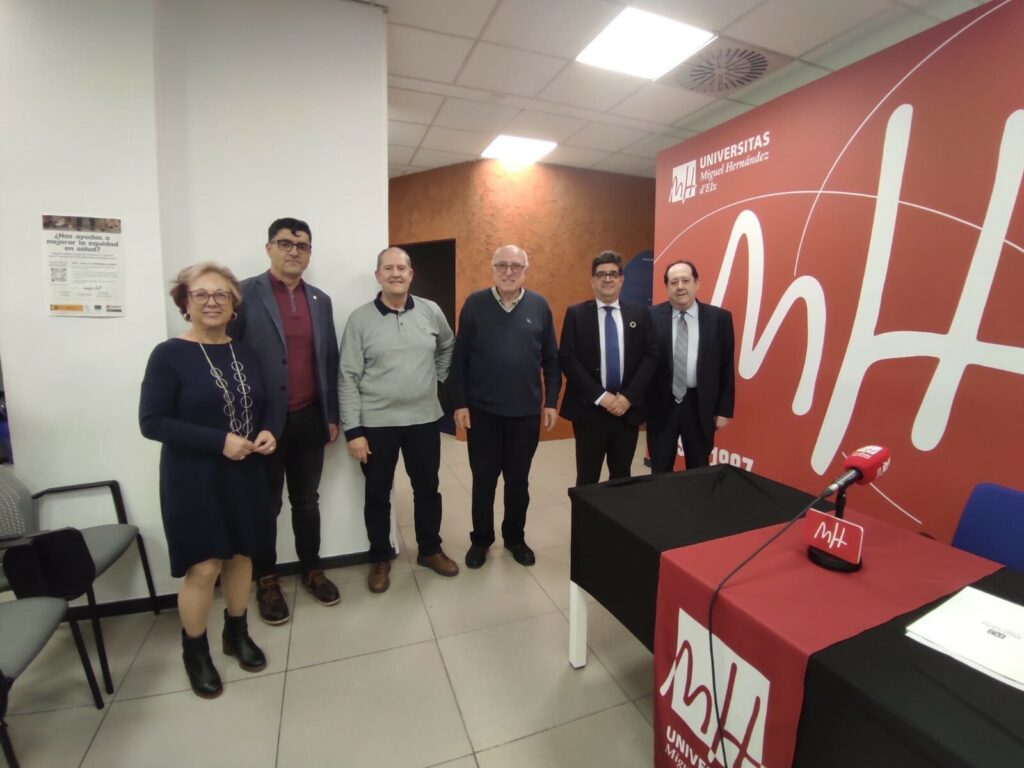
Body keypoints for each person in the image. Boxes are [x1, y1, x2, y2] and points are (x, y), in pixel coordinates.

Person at [140, 262, 273, 699]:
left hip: (246, 472)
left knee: (241, 555)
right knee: (204, 565)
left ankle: (236, 634)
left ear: (235, 304)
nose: (213, 302)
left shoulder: (246, 352)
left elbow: (267, 403)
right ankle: (194, 651)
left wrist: (269, 430)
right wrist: (220, 441)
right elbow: (153, 421)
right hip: (192, 477)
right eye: (202, 294)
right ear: (186, 303)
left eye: (222, 295)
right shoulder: (168, 354)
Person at [230, 218, 341, 625]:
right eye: (286, 243)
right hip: (262, 425)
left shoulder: (320, 300)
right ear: (269, 248)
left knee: (307, 501)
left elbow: (327, 359)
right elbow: (232, 358)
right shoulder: (243, 294)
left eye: (303, 246)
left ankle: (312, 569)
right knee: (266, 506)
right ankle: (268, 580)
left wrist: (332, 415)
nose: (294, 251)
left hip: (311, 417)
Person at [340, 247, 459, 593]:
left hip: (423, 419)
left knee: (427, 488)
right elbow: (347, 376)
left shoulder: (430, 311)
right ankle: (380, 556)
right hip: (376, 424)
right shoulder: (360, 320)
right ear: (377, 276)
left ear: (411, 274)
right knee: (378, 493)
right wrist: (354, 431)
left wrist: (434, 378)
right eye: (388, 268)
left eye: (401, 268)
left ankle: (430, 549)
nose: (395, 273)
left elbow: (448, 346)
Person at [451, 244, 560, 569]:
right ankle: (481, 540)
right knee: (483, 482)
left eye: (515, 266)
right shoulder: (475, 304)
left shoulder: (539, 306)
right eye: (502, 265)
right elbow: (460, 360)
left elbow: (552, 360)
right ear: (493, 269)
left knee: (518, 482)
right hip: (482, 414)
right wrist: (460, 403)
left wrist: (551, 401)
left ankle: (515, 538)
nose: (509, 272)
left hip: (525, 414)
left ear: (526, 270)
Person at [559, 251, 659, 486]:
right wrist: (601, 397)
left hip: (626, 411)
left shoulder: (640, 314)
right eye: (601, 274)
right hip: (589, 410)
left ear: (621, 279)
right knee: (587, 477)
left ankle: (615, 523)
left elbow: (651, 356)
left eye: (613, 274)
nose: (607, 279)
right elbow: (567, 358)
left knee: (622, 476)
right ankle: (586, 524)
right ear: (592, 280)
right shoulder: (576, 314)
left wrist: (628, 397)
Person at [647, 260, 735, 473]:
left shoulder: (719, 319)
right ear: (667, 287)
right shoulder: (650, 317)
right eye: (673, 281)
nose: (680, 286)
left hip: (699, 405)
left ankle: (695, 506)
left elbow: (726, 365)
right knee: (660, 467)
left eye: (686, 280)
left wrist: (724, 410)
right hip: (662, 405)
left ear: (697, 283)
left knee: (699, 468)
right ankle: (663, 506)